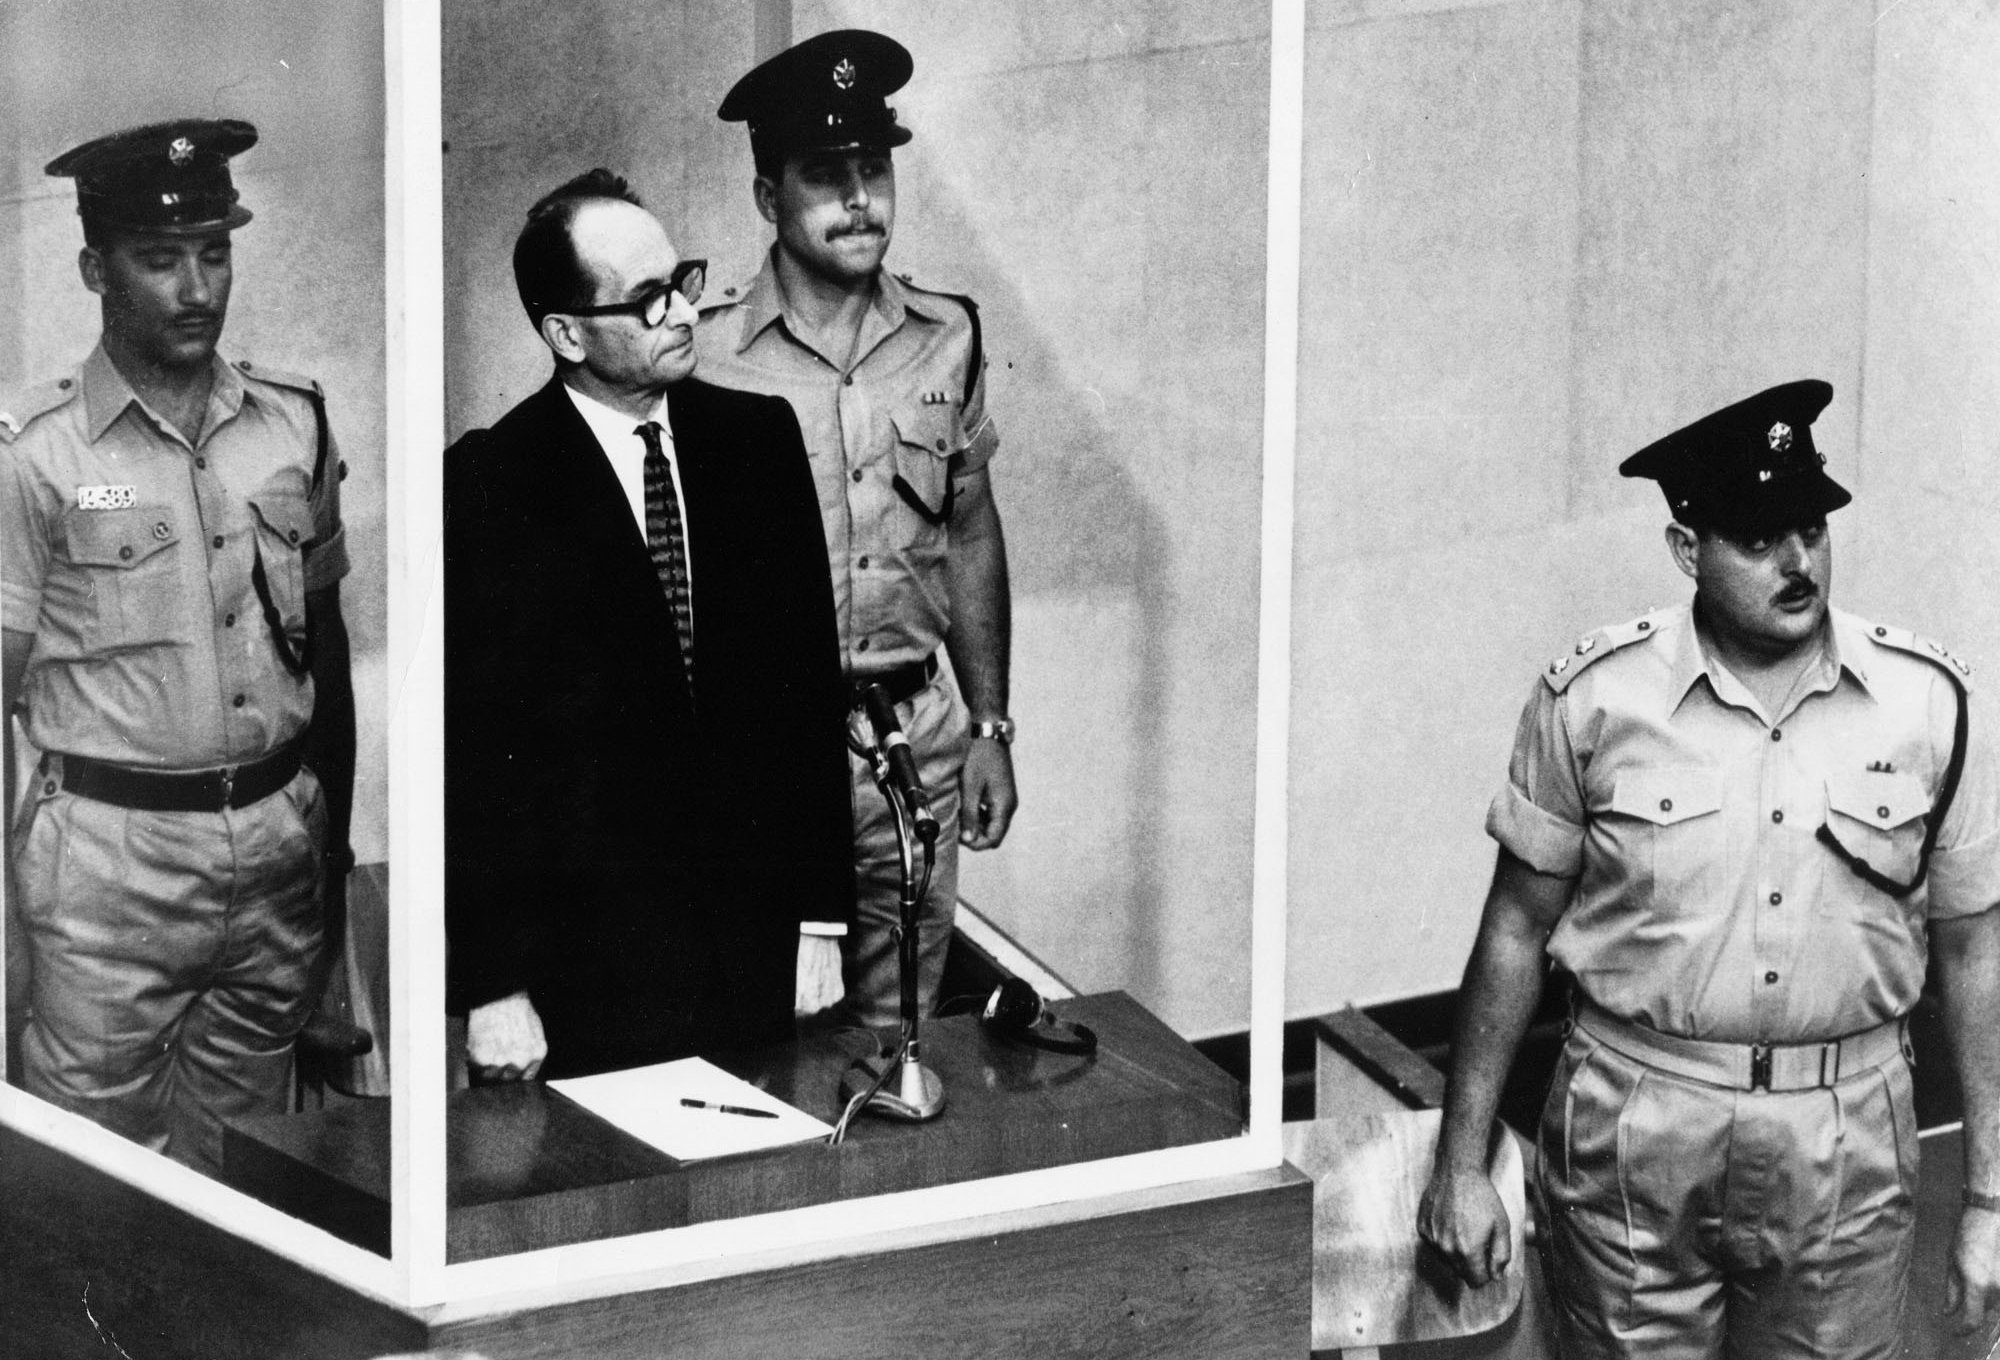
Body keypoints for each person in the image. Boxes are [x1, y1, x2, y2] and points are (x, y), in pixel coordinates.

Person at [1416, 380, 2000, 1356]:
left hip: (1846, 1142)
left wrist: (1989, 1197)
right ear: (1687, 548)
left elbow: (1976, 955)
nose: (1797, 562)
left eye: (1810, 529)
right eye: (1758, 538)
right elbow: (1512, 933)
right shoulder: (1594, 701)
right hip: (1635, 1132)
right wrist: (1458, 1165)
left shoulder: (1928, 707)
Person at [0, 119, 356, 1173]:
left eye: (214, 251)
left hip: (276, 854)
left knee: (247, 1175)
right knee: (96, 1188)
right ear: (94, 270)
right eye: (159, 259)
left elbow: (327, 659)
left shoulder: (294, 424)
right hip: (109, 868)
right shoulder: (34, 455)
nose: (197, 288)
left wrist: (330, 871)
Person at [445, 169, 854, 1081]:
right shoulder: (488, 485)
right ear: (567, 333)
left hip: (756, 947)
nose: (683, 312)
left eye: (683, 282)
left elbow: (806, 700)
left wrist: (820, 920)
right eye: (648, 299)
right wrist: (494, 984)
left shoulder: (758, 442)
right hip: (587, 970)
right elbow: (474, 761)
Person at [697, 29, 1019, 1030]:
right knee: (761, 1038)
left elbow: (969, 530)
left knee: (899, 1037)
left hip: (912, 742)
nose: (858, 199)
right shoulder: (704, 356)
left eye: (873, 169)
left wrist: (990, 726)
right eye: (824, 176)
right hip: (764, 758)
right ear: (768, 196)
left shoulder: (948, 334)